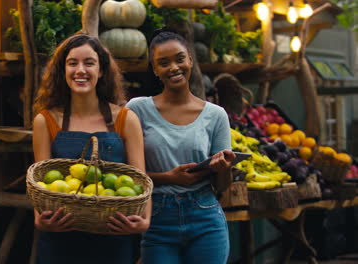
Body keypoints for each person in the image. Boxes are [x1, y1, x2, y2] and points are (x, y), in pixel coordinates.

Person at [32, 34, 150, 264]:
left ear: (102, 70)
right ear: (62, 70)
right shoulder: (45, 121)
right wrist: (39, 219)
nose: (80, 70)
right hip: (61, 238)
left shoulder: (125, 119)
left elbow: (141, 179)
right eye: (72, 63)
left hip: (113, 235)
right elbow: (39, 183)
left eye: (89, 63)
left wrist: (144, 221)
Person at [126, 30, 235, 264]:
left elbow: (223, 187)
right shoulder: (137, 109)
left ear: (190, 60)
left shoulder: (216, 115)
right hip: (157, 219)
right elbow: (126, 174)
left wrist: (223, 168)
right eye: (163, 63)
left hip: (205, 215)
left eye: (179, 58)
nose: (173, 67)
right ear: (155, 70)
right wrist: (168, 178)